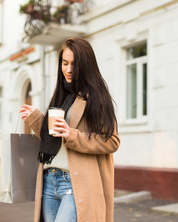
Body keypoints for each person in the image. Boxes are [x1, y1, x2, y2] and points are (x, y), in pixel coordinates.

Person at [19, 37, 120, 222]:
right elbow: (51, 138)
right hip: (49, 180)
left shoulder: (97, 97)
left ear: (86, 65)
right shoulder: (60, 95)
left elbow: (112, 141)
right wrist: (35, 118)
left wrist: (72, 135)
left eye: (74, 64)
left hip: (75, 183)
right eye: (64, 63)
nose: (68, 69)